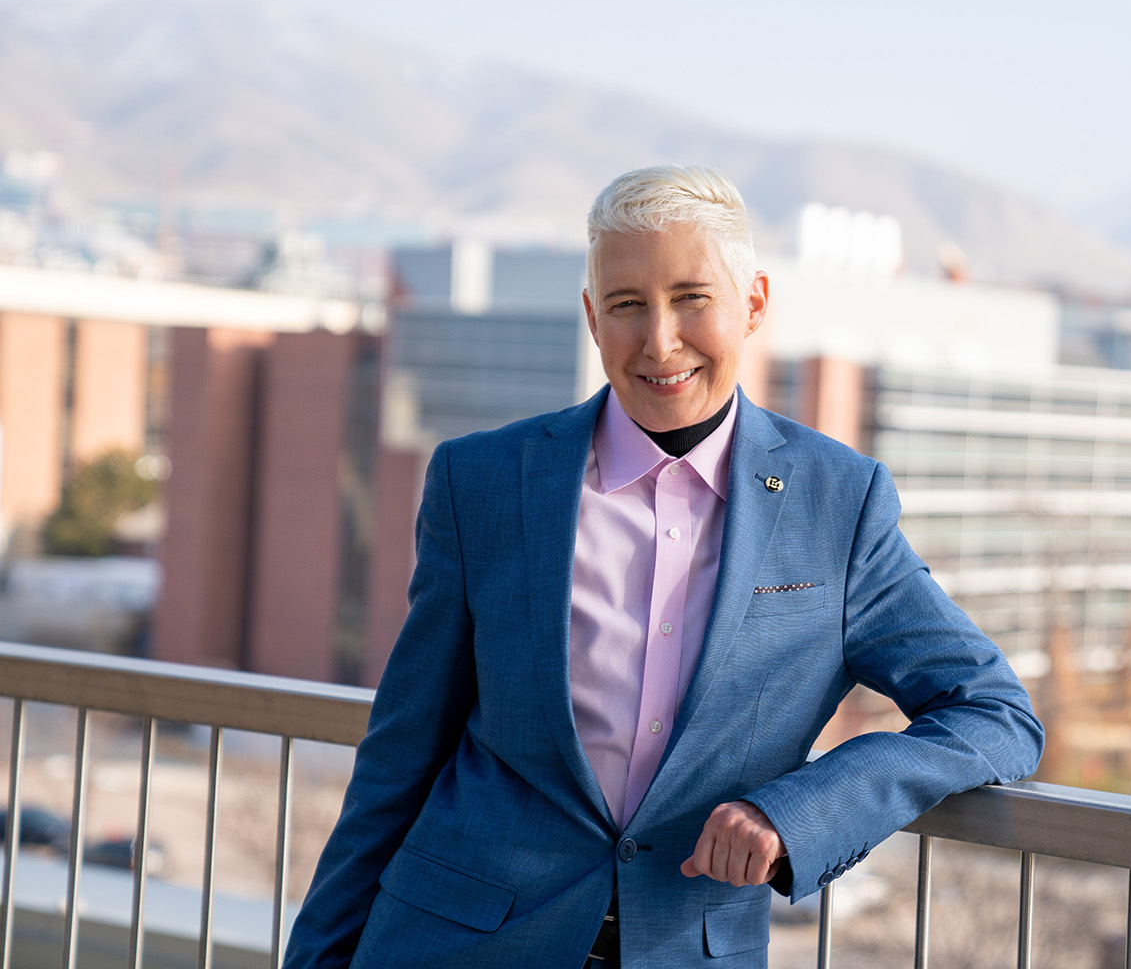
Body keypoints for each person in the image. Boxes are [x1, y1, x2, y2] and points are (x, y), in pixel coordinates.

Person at [283, 165, 1044, 969]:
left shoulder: (838, 504)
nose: (660, 340)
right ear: (591, 318)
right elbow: (402, 755)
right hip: (452, 939)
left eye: (692, 298)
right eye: (626, 305)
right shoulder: (483, 483)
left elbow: (993, 712)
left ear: (753, 303)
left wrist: (802, 811)